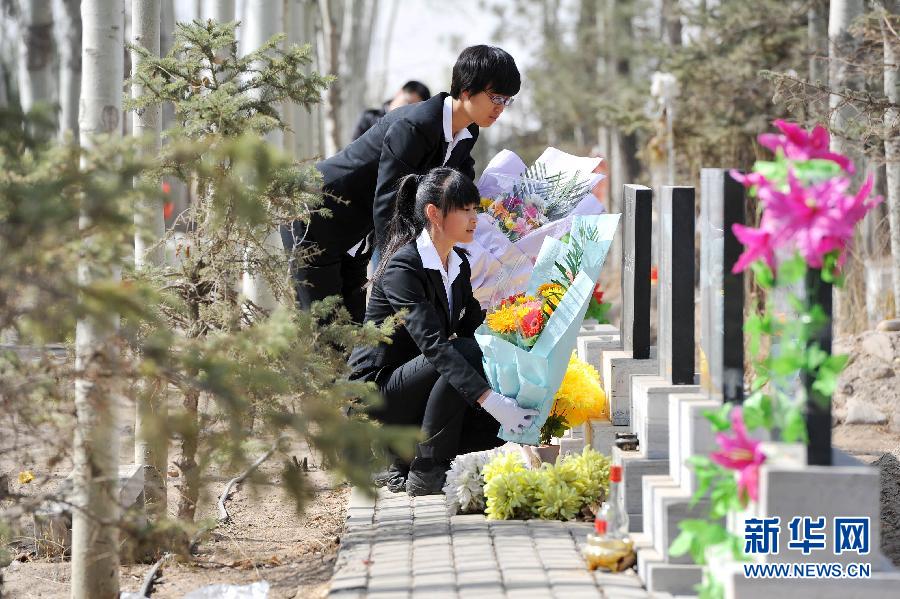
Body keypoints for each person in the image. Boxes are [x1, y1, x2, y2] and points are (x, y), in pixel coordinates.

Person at [280, 45, 520, 323]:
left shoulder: (467, 132)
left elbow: (459, 187)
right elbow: (389, 201)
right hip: (317, 218)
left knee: (354, 335)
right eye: (496, 98)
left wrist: (503, 214)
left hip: (357, 236)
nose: (501, 108)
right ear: (466, 91)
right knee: (323, 335)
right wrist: (400, 272)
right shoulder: (416, 125)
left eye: (507, 100)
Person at [348, 168, 538, 496]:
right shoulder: (402, 268)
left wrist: (519, 359)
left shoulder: (457, 264)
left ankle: (407, 459)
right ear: (433, 213)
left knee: (492, 427)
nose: (474, 217)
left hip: (414, 388)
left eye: (475, 208)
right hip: (376, 397)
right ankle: (426, 468)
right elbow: (435, 346)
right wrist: (491, 399)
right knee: (463, 354)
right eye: (464, 209)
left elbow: (475, 332)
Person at [350, 80, 432, 141]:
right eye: (408, 102)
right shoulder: (369, 117)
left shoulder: (413, 132)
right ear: (399, 93)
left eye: (414, 109)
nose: (408, 110)